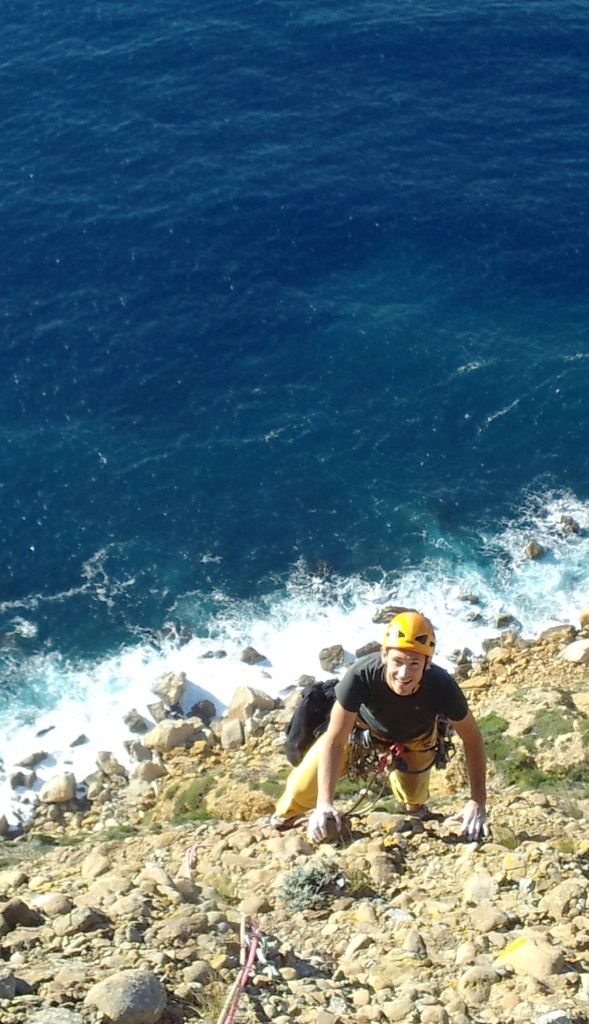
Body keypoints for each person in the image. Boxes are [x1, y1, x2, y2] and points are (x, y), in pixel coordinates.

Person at [271, 610, 488, 843]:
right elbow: (335, 740)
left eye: (414, 663)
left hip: (417, 738)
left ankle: (413, 807)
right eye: (398, 661)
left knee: (414, 795)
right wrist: (324, 803)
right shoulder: (361, 675)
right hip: (362, 732)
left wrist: (478, 801)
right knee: (301, 788)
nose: (404, 673)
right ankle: (283, 818)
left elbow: (472, 739)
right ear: (384, 655)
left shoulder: (442, 686)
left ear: (428, 663)